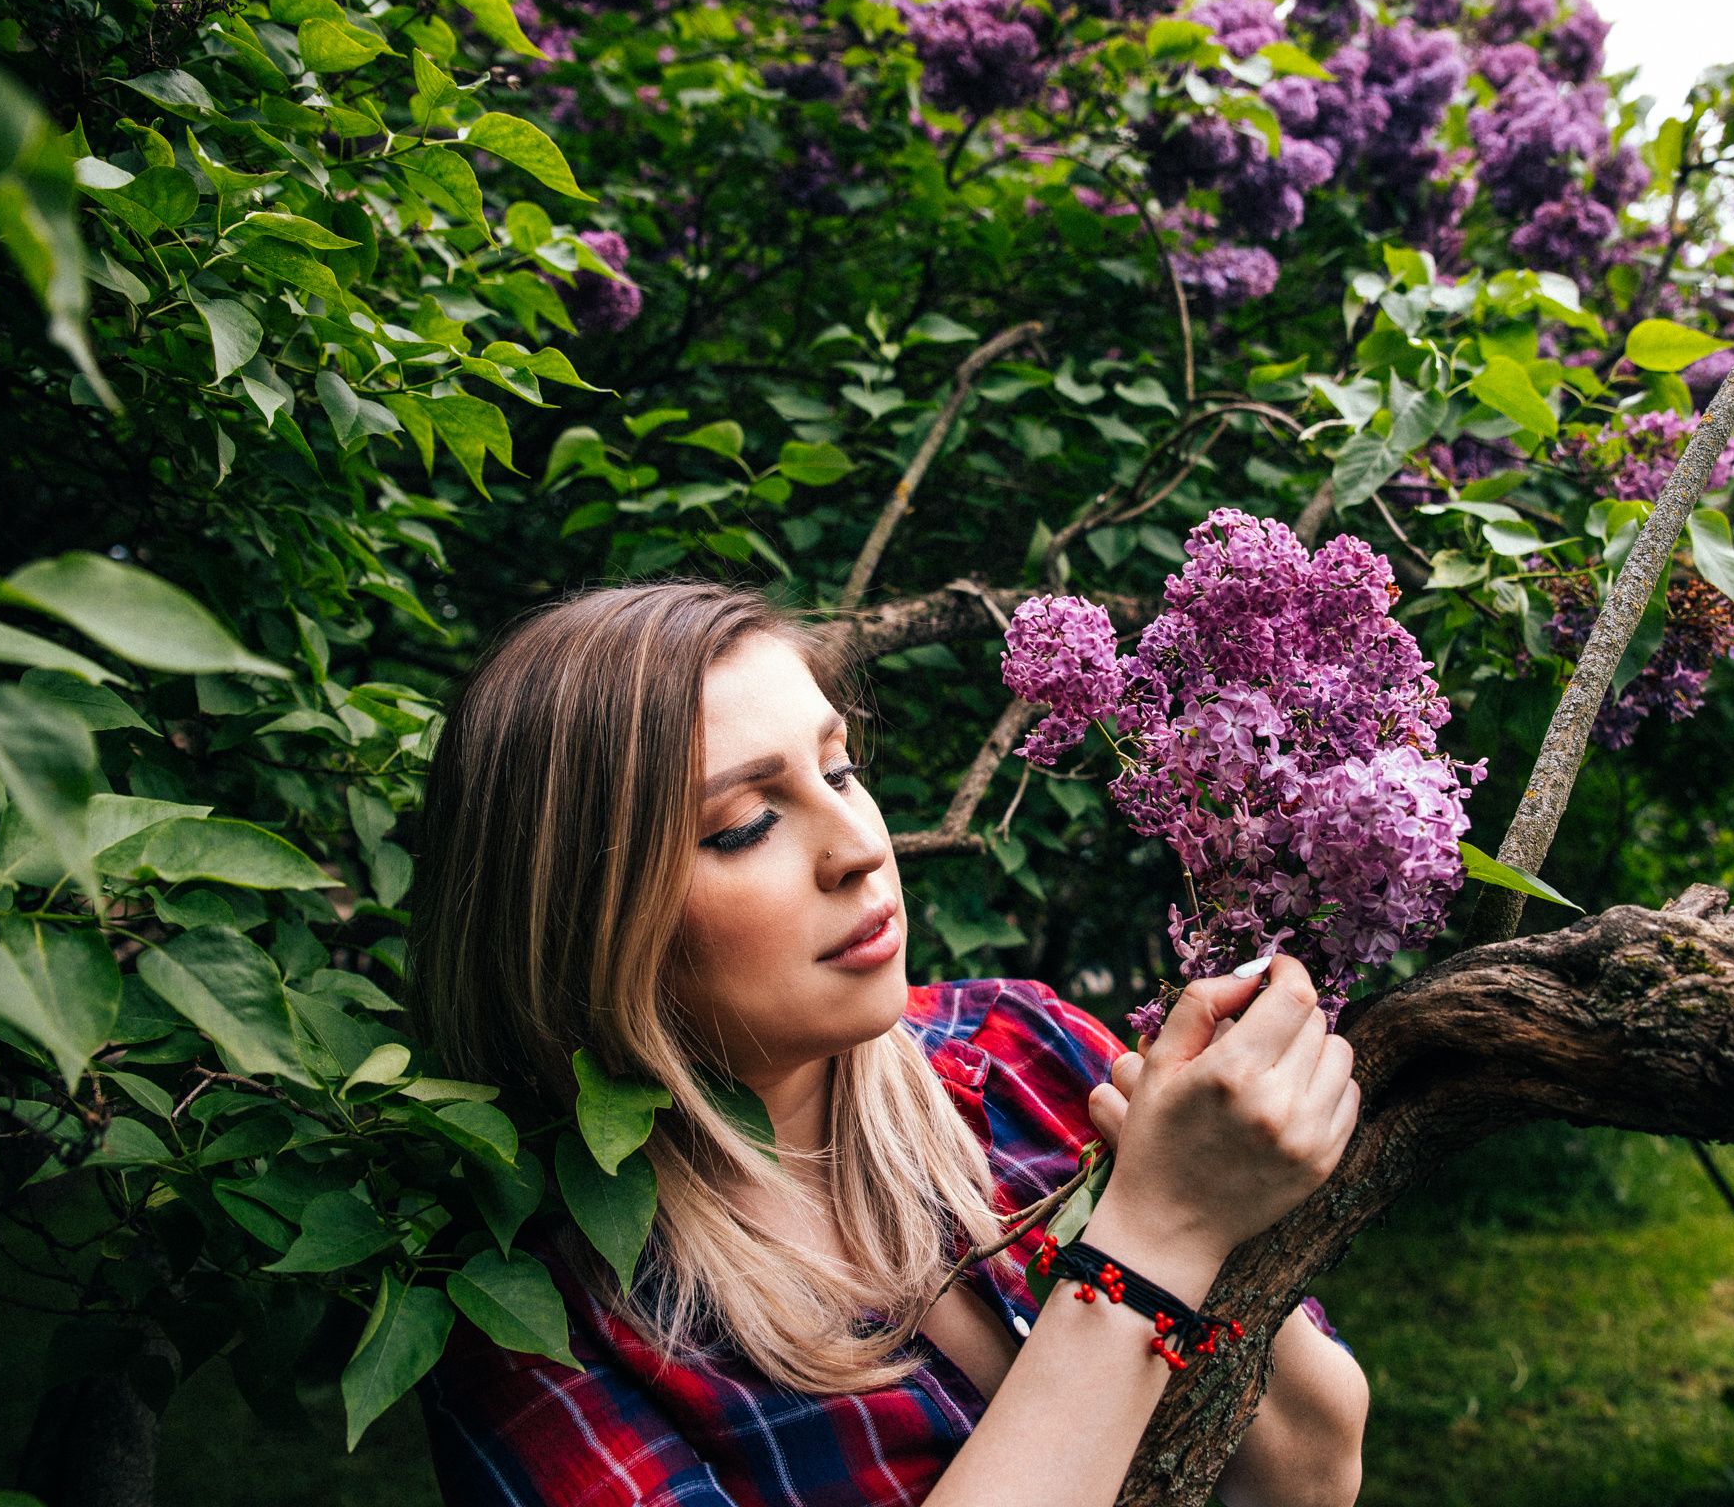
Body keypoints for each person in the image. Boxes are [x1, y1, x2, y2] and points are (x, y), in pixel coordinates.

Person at [410, 581, 1370, 1507]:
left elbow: (1308, 1476)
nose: (862, 848)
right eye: (744, 826)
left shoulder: (1025, 1050)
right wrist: (1157, 1236)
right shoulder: (531, 1316)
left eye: (839, 771)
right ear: (575, 922)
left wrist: (1216, 1202)